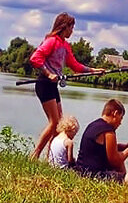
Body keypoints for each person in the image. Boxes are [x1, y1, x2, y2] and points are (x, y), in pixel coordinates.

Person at [29, 12, 102, 159]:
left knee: (60, 124)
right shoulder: (51, 41)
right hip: (44, 83)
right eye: (71, 27)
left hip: (53, 86)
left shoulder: (65, 45)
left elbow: (75, 65)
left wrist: (94, 70)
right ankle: (34, 156)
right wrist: (49, 74)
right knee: (54, 122)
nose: (72, 31)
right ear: (64, 27)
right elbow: (35, 58)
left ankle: (51, 159)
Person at [75, 98, 128, 186]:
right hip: (94, 175)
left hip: (81, 171)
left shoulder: (93, 125)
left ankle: (123, 178)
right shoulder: (108, 131)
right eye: (121, 118)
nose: (120, 123)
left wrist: (126, 146)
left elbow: (104, 149)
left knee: (120, 156)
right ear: (115, 113)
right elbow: (115, 161)